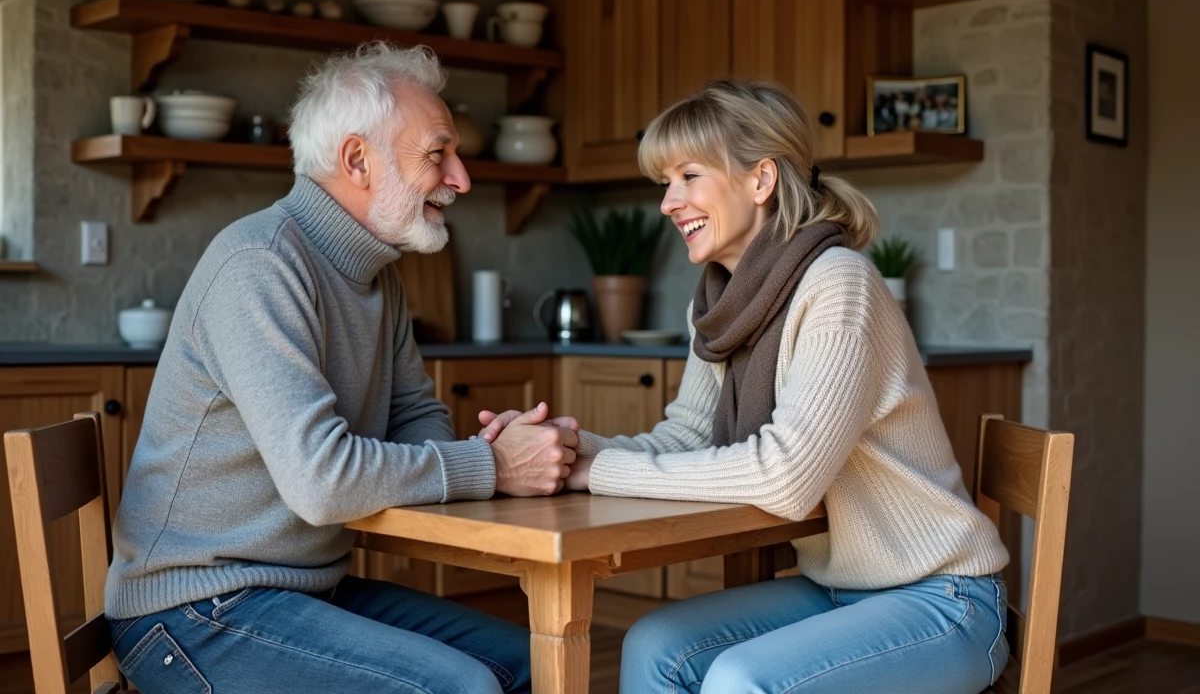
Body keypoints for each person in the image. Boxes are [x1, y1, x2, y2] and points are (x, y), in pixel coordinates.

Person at [485, 78, 1011, 693]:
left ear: (761, 180)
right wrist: (567, 450)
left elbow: (786, 478)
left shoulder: (839, 284)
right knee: (655, 645)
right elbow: (688, 435)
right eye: (665, 183)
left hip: (943, 599)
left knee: (740, 679)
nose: (668, 203)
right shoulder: (718, 305)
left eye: (688, 176)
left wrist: (595, 471)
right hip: (836, 589)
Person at [105, 42, 579, 694]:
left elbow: (415, 413)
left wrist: (485, 455)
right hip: (192, 610)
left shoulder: (377, 275)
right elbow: (322, 483)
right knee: (460, 688)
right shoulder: (259, 266)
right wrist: (492, 465)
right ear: (358, 160)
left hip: (303, 588)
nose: (462, 178)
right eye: (438, 153)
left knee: (531, 666)